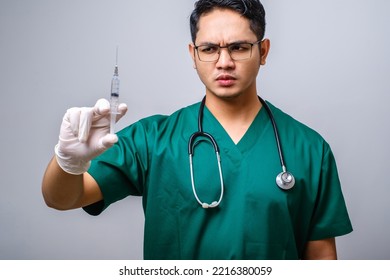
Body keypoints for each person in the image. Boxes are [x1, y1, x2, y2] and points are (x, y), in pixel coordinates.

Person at [42, 0, 353, 260]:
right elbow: (63, 198)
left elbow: (322, 260)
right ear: (193, 55)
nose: (224, 62)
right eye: (209, 49)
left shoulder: (310, 149)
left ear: (264, 51)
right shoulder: (153, 139)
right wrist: (68, 161)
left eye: (239, 47)